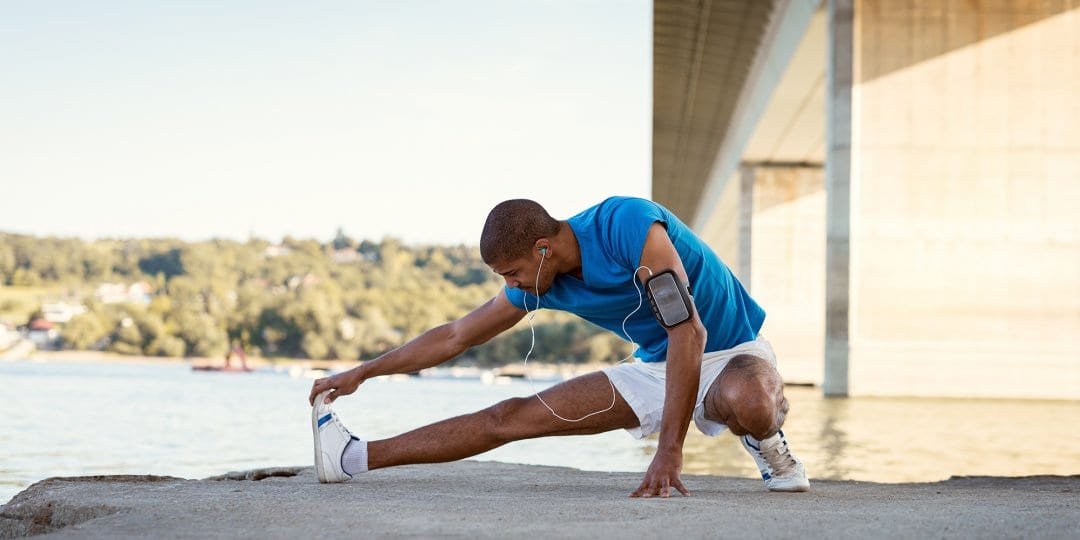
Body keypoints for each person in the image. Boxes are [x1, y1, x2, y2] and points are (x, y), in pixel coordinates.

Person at [308, 196, 809, 497]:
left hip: (730, 351)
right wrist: (364, 372)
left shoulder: (627, 226)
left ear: (542, 249)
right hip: (657, 366)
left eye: (513, 272)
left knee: (752, 401)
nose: (513, 284)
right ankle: (353, 458)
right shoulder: (539, 283)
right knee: (510, 415)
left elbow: (689, 332)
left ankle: (767, 445)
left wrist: (669, 451)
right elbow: (456, 335)